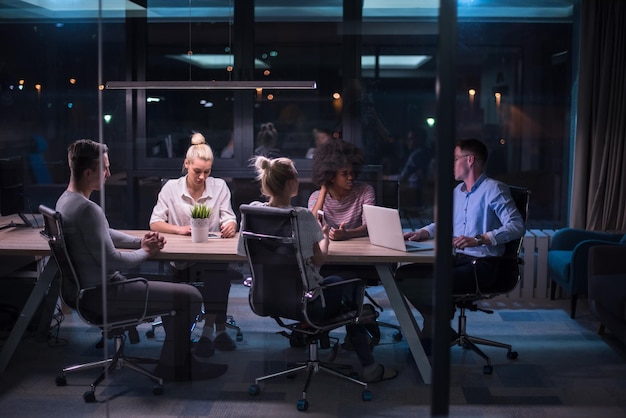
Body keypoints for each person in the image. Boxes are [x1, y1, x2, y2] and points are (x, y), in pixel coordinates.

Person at [56, 139, 227, 382]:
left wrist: (139, 242)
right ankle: (176, 367)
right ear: (88, 172)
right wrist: (147, 252)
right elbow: (114, 261)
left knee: (176, 291)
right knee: (190, 297)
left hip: (85, 292)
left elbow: (106, 233)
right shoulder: (88, 210)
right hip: (104, 294)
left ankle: (176, 359)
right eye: (104, 168)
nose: (109, 173)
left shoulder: (66, 201)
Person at [237, 156, 398, 383]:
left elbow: (243, 252)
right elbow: (319, 259)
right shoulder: (301, 216)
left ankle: (354, 323)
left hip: (267, 298)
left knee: (333, 282)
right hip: (308, 303)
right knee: (347, 287)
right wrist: (324, 238)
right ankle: (369, 363)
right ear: (292, 183)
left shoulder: (252, 212)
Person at [395, 138, 526, 355]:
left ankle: (431, 336)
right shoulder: (457, 192)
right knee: (405, 274)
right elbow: (443, 223)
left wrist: (481, 238)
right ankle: (440, 328)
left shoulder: (494, 190)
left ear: (470, 160)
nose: (452, 163)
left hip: (484, 264)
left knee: (433, 283)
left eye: (455, 158)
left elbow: (517, 226)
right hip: (458, 259)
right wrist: (423, 232)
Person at [150, 132, 239, 357]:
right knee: (216, 276)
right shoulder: (171, 188)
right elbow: (155, 222)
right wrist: (178, 229)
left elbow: (228, 216)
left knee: (219, 272)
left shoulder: (218, 187)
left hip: (210, 255)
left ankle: (208, 332)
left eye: (206, 172)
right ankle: (213, 330)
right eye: (196, 171)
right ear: (186, 164)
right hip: (181, 260)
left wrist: (231, 224)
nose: (201, 177)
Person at [308, 139, 374, 241]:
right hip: (329, 249)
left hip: (359, 247)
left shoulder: (365, 191)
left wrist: (347, 234)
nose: (351, 177)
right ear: (331, 176)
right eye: (344, 174)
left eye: (352, 172)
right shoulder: (316, 197)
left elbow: (369, 227)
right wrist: (324, 190)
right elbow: (311, 226)